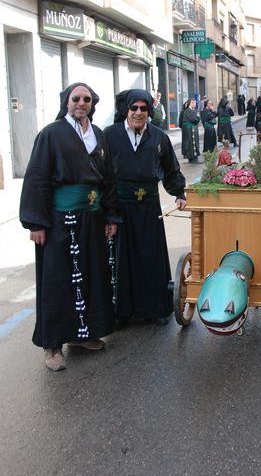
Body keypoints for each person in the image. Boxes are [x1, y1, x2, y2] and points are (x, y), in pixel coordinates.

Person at [19, 83, 120, 371]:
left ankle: (81, 335)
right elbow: (37, 177)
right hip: (60, 220)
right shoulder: (51, 133)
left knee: (90, 275)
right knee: (57, 280)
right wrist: (36, 222)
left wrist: (111, 216)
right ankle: (52, 345)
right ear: (67, 102)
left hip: (92, 216)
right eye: (76, 98)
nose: (81, 103)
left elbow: (108, 180)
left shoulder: (98, 135)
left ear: (92, 103)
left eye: (86, 99)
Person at [103, 89, 186, 326]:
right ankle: (122, 312)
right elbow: (103, 172)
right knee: (122, 259)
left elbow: (171, 168)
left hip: (149, 207)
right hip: (120, 208)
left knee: (151, 257)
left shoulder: (159, 137)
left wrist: (178, 192)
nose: (138, 113)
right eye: (134, 108)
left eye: (143, 108)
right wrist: (106, 210)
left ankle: (155, 309)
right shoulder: (110, 135)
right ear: (126, 110)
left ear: (149, 111)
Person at [181, 98, 201, 162]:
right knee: (190, 143)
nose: (194, 104)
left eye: (195, 102)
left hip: (194, 128)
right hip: (189, 129)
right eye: (192, 102)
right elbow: (193, 119)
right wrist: (197, 120)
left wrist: (197, 119)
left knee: (195, 142)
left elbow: (198, 118)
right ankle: (191, 157)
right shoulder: (187, 111)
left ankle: (195, 156)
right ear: (189, 103)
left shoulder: (194, 110)